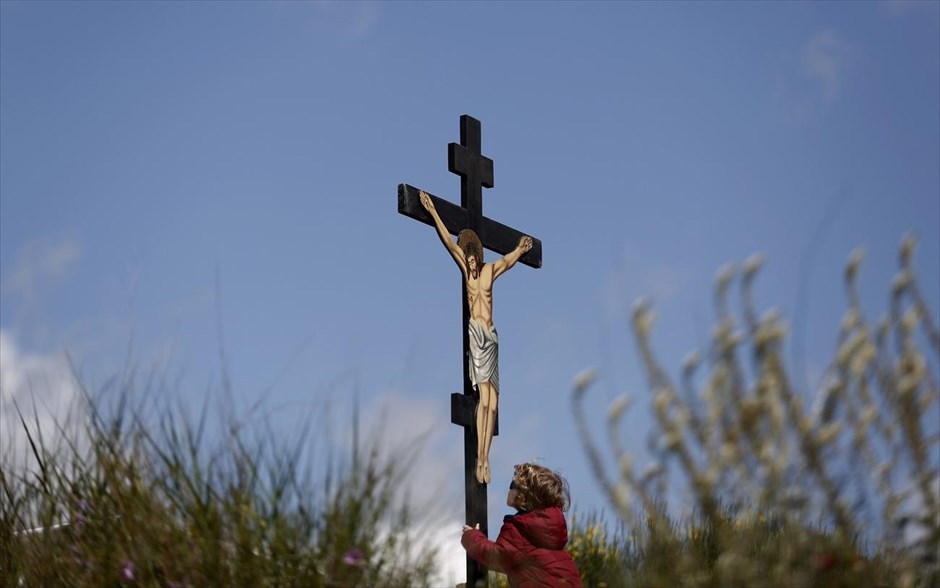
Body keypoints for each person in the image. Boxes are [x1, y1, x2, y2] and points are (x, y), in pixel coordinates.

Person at [420, 190, 532, 484]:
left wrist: (520, 250)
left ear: (478, 256)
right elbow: (447, 240)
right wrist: (433, 213)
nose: (469, 261)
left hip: (491, 337)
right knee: (483, 400)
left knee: (494, 403)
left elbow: (507, 261)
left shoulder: (488, 273)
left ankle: (487, 456)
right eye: (467, 256)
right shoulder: (466, 273)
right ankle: (480, 460)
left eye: (472, 256)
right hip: (477, 336)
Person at [461, 463, 582, 587]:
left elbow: (497, 556)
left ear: (523, 497)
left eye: (513, 485)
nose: (509, 489)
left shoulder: (522, 528)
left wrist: (472, 537)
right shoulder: (547, 528)